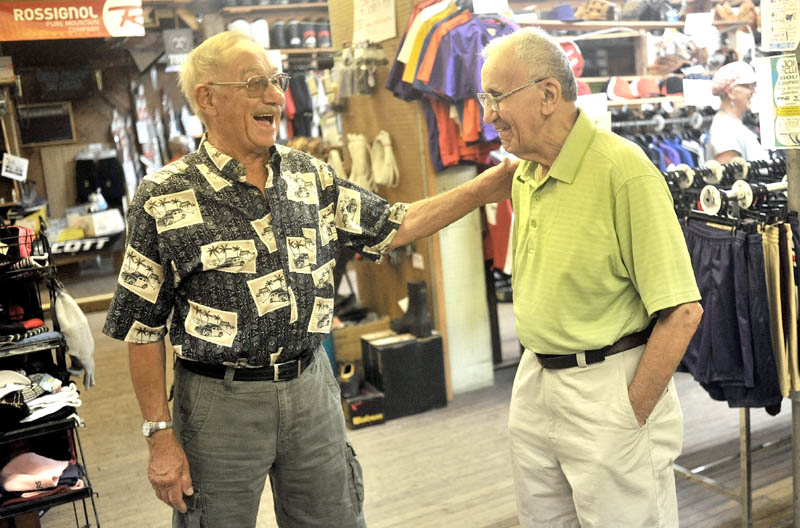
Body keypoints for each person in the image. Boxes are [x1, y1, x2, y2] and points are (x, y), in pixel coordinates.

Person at [102, 30, 516, 528]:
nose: (275, 96)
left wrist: (481, 190)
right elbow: (140, 330)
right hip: (218, 404)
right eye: (256, 83)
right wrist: (159, 437)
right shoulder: (162, 196)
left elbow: (394, 223)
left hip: (311, 387)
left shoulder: (308, 176)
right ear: (207, 98)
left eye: (276, 81)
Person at [478, 28, 703, 527]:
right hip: (536, 379)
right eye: (484, 97)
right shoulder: (525, 172)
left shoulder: (623, 170)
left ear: (548, 95)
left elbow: (683, 311)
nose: (488, 114)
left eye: (496, 97)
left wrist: (630, 412)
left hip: (609, 382)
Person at [706, 60, 769, 163]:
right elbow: (729, 175)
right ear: (731, 92)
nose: (753, 91)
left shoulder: (732, 124)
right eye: (748, 86)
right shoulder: (724, 130)